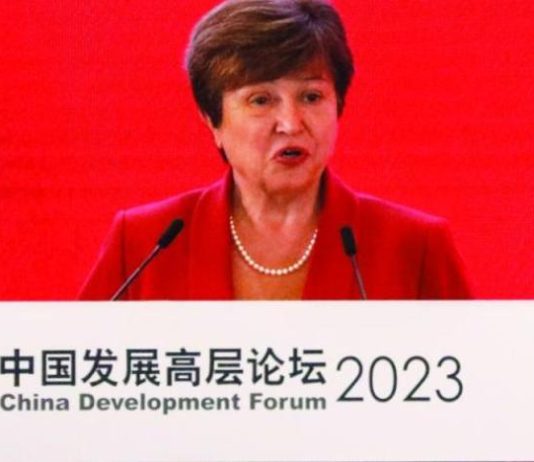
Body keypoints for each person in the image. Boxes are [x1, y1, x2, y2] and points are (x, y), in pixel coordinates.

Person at [79, 0, 471, 300]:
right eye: (261, 100)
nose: (290, 123)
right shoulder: (145, 243)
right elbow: (79, 370)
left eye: (311, 96)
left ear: (339, 104)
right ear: (213, 120)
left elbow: (472, 375)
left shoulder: (414, 246)